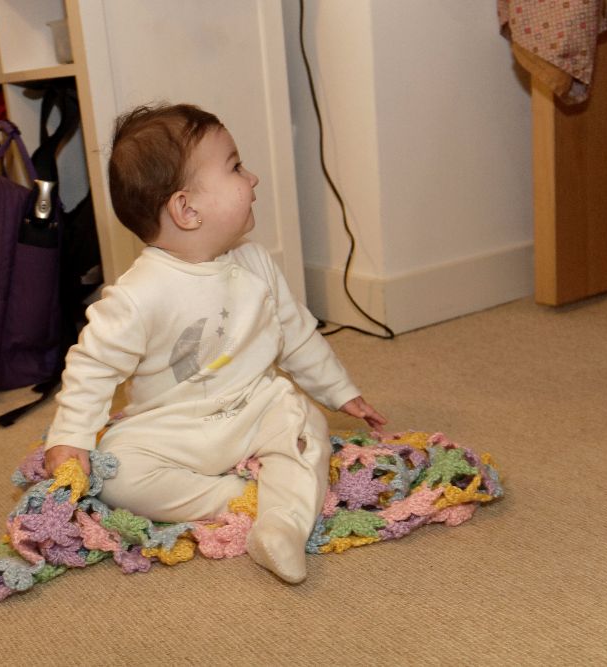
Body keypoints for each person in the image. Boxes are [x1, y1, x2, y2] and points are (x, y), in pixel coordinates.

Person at [44, 103, 386, 584]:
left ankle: (281, 528)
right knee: (116, 473)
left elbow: (295, 334)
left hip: (254, 406)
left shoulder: (255, 263)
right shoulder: (138, 295)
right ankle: (239, 500)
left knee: (305, 424)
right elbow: (92, 366)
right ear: (187, 210)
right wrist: (70, 437)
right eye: (236, 167)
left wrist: (339, 391)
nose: (254, 177)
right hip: (172, 425)